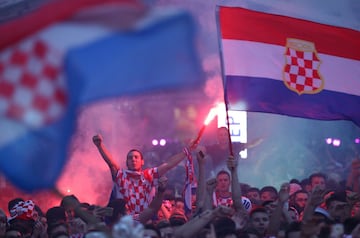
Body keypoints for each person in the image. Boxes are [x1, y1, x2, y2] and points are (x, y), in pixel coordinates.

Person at [92, 134, 196, 218]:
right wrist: (100, 145)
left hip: (145, 221)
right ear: (126, 163)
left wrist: (186, 151)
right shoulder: (121, 175)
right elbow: (111, 164)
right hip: (125, 220)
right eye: (130, 158)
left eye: (136, 157)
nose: (133, 159)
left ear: (142, 162)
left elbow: (168, 164)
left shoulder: (149, 175)